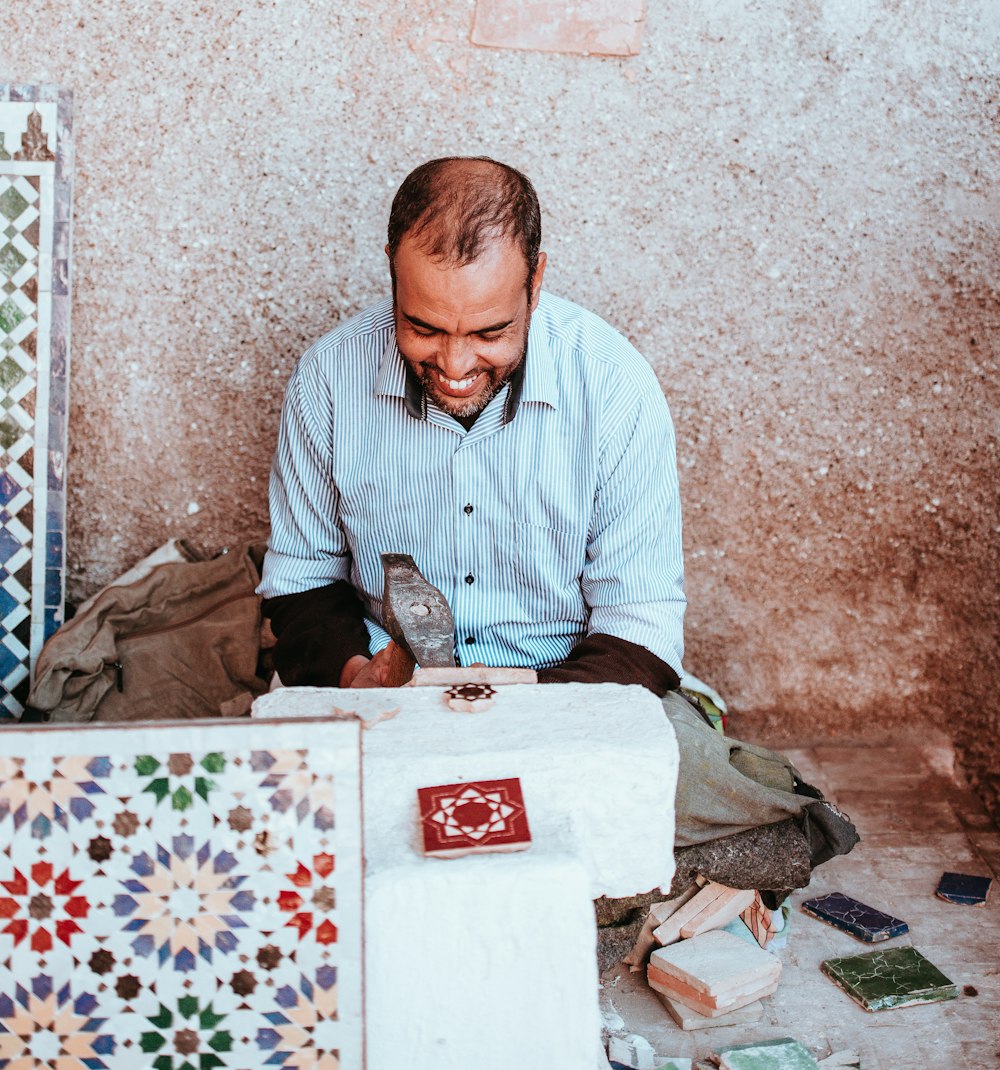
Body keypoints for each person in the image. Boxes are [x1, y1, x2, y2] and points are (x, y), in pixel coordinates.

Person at [261, 157, 857, 892]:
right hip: (391, 708)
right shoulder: (326, 380)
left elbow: (640, 628)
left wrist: (520, 718)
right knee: (280, 823)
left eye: (489, 331)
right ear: (390, 270)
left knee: (665, 789)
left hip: (568, 698)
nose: (453, 362)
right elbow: (300, 582)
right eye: (422, 327)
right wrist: (358, 677)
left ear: (536, 281)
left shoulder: (613, 388)